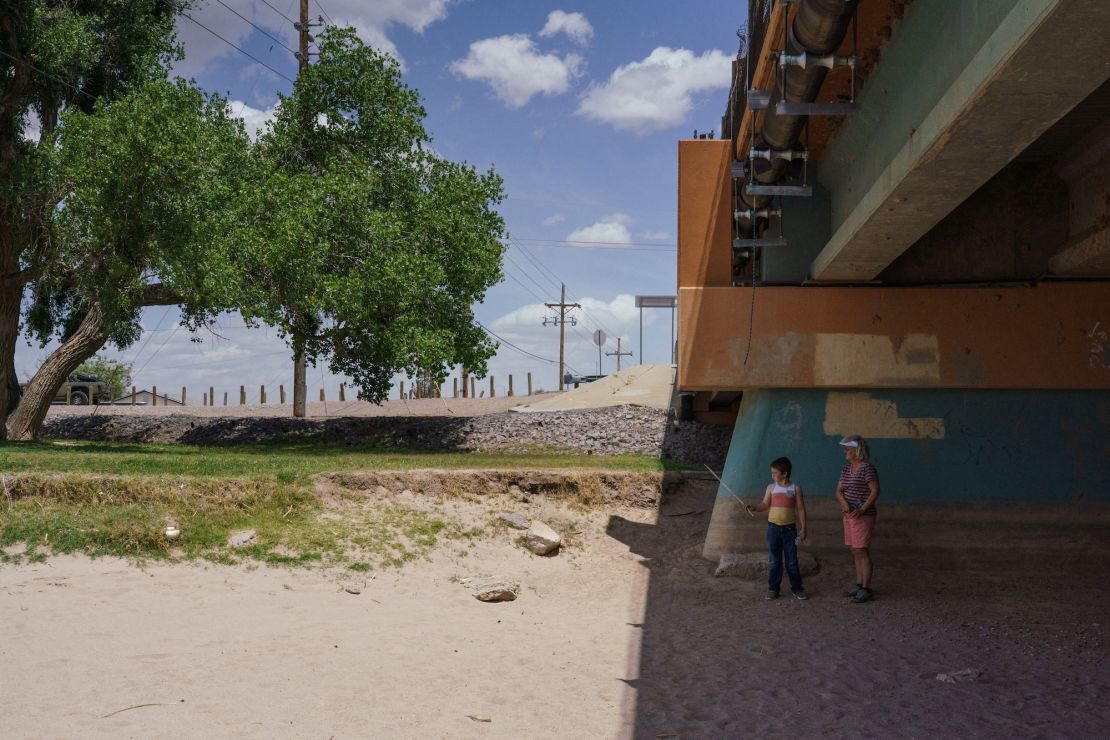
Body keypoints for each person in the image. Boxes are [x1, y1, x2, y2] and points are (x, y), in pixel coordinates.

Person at [744, 456, 808, 600]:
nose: (772, 475)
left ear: (785, 473)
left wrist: (803, 528)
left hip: (790, 529)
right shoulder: (771, 488)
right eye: (771, 473)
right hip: (773, 528)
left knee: (792, 561)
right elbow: (765, 504)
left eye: (774, 473)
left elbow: (801, 509)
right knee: (774, 560)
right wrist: (754, 507)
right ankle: (773, 589)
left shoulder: (795, 488)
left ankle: (797, 588)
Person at [835, 435, 880, 603]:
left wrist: (861, 509)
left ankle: (866, 589)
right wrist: (845, 504)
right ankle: (859, 585)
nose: (845, 452)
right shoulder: (847, 469)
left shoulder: (867, 468)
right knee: (855, 550)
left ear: (857, 450)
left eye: (847, 449)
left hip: (863, 516)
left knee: (861, 551)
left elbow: (875, 490)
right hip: (848, 515)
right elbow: (838, 491)